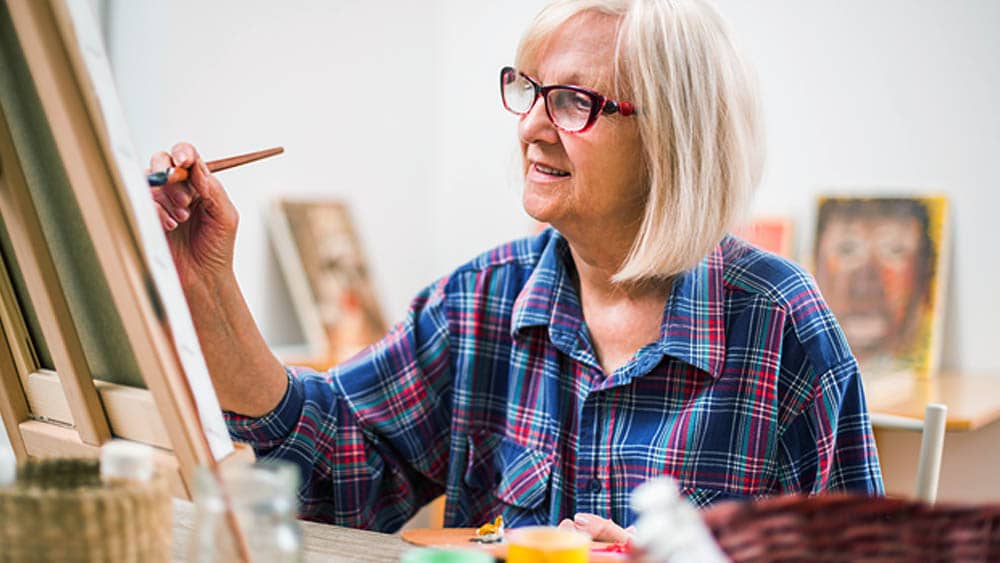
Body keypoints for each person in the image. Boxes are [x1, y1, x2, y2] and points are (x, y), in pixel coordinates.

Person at [149, 0, 883, 542]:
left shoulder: (782, 324)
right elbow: (333, 469)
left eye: (572, 101)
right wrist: (210, 285)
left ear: (672, 136)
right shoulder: (479, 302)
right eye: (529, 89)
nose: (531, 123)